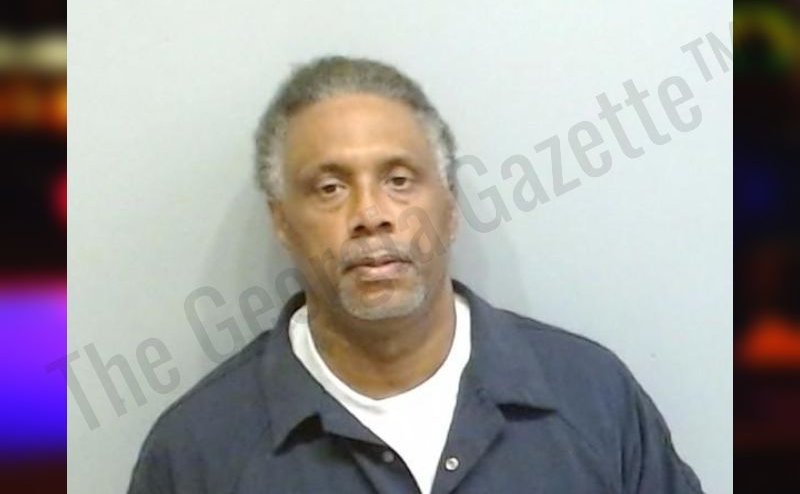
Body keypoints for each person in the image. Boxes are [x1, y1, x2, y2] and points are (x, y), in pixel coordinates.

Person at [128, 56, 704, 493]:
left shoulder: (592, 397)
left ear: (449, 207)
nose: (371, 214)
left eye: (399, 180)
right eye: (330, 188)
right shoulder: (199, 451)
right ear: (282, 221)